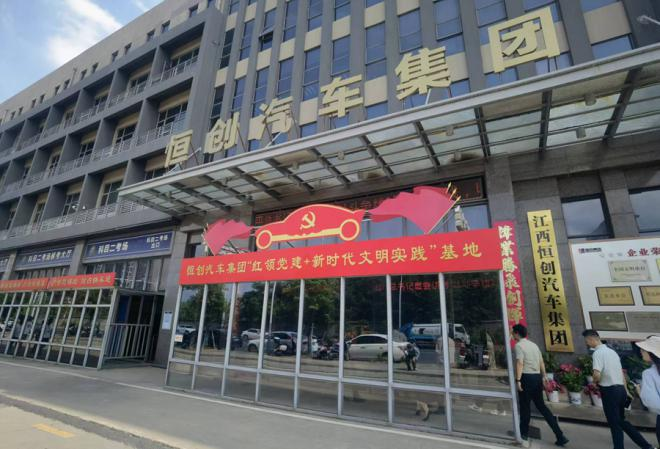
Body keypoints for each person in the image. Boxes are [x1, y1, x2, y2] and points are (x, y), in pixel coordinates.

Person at [582, 329, 655, 449]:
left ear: (591, 339)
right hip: (620, 390)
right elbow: (621, 373)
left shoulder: (597, 353)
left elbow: (596, 374)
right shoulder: (612, 352)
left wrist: (594, 383)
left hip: (609, 391)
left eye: (587, 341)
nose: (587, 343)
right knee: (621, 421)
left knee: (614, 423)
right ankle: (646, 446)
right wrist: (626, 390)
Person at [512, 324, 568, 446]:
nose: (512, 335)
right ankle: (560, 435)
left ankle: (523, 434)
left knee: (525, 407)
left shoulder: (519, 345)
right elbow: (541, 361)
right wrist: (544, 376)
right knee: (542, 407)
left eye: (513, 333)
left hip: (526, 377)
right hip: (537, 378)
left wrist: (518, 380)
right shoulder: (534, 345)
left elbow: (520, 363)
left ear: (517, 333)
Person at [635, 336, 660, 448]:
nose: (641, 351)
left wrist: (640, 392)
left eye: (643, 349)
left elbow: (652, 403)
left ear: (652, 353)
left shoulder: (649, 373)